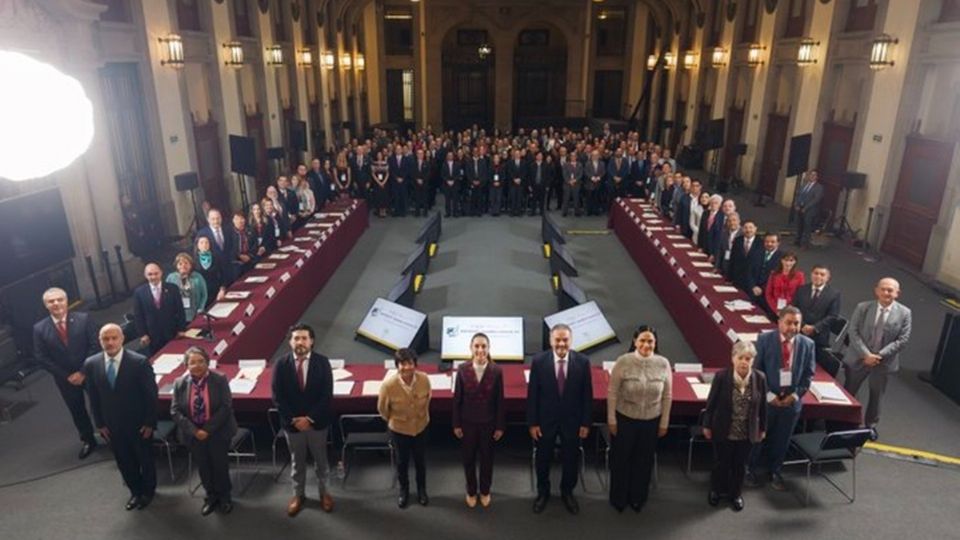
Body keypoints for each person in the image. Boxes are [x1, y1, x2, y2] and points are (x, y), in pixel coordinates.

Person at [83, 323, 158, 510]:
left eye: (114, 338)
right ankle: (135, 492)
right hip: (112, 425)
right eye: (105, 339)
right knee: (124, 461)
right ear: (99, 341)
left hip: (139, 424)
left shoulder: (139, 362)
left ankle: (148, 492)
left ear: (122, 339)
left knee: (145, 459)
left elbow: (151, 396)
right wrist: (99, 423)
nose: (110, 342)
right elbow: (93, 396)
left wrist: (150, 422)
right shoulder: (91, 364)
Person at [527, 324, 593, 515]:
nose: (561, 344)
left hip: (572, 422)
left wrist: (585, 423)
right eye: (557, 340)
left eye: (565, 340)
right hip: (545, 422)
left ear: (571, 340)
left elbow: (587, 395)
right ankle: (543, 493)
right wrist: (533, 423)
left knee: (571, 459)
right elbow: (533, 395)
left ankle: (567, 492)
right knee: (543, 459)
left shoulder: (583, 362)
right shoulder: (539, 361)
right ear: (550, 340)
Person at [747, 306, 815, 491]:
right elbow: (757, 371)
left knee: (782, 440)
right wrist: (769, 395)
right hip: (766, 400)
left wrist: (794, 396)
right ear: (779, 322)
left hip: (791, 404)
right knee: (758, 437)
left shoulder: (808, 344)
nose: (792, 327)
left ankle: (774, 470)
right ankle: (749, 469)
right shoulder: (764, 340)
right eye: (788, 322)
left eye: (796, 323)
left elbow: (808, 375)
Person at [271, 323, 335, 517]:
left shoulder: (322, 362)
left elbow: (327, 395)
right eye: (296, 338)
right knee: (296, 463)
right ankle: (298, 495)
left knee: (321, 461)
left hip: (317, 423)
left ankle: (325, 493)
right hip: (293, 426)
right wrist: (294, 420)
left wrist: (310, 418)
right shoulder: (281, 364)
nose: (300, 342)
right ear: (290, 342)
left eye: (304, 338)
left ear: (311, 341)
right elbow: (277, 397)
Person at [606, 325, 672, 513]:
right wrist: (611, 419)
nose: (646, 345)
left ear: (655, 343)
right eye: (642, 340)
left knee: (644, 461)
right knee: (621, 460)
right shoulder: (623, 361)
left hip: (651, 421)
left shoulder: (663, 363)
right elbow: (612, 392)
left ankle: (638, 497)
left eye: (650, 341)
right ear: (635, 341)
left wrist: (664, 422)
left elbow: (667, 395)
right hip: (625, 419)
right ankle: (618, 498)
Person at [32, 287, 101, 459]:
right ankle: (88, 440)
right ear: (46, 305)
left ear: (66, 301)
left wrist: (82, 372)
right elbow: (41, 357)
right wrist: (67, 376)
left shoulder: (84, 319)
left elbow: (95, 345)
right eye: (51, 301)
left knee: (100, 404)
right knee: (77, 410)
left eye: (59, 299)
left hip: (89, 372)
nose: (56, 303)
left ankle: (112, 434)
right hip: (65, 379)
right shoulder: (39, 329)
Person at [170, 346, 237, 515]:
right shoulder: (179, 383)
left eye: (201, 361)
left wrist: (207, 430)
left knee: (220, 465)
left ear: (208, 363)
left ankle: (225, 497)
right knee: (203, 466)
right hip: (193, 434)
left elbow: (226, 407)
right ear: (186, 365)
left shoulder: (219, 379)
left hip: (218, 431)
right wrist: (194, 431)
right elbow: (175, 411)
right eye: (192, 362)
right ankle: (210, 496)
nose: (197, 365)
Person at [704, 340, 767, 512]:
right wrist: (707, 425)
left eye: (748, 358)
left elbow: (763, 407)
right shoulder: (721, 376)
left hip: (747, 431)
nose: (744, 362)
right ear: (733, 358)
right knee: (721, 463)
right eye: (740, 358)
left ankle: (736, 494)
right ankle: (716, 490)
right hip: (724, 428)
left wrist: (763, 428)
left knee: (740, 465)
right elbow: (711, 403)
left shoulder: (760, 378)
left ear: (753, 360)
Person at [843, 277, 912, 431]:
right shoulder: (863, 307)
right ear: (876, 291)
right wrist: (866, 354)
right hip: (859, 358)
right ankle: (841, 420)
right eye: (883, 289)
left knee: (876, 396)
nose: (886, 293)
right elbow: (853, 332)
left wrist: (879, 355)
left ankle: (870, 426)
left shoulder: (905, 313)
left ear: (897, 293)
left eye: (890, 290)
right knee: (848, 391)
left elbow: (902, 340)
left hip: (883, 363)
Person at [452, 333, 505, 508]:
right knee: (468, 459)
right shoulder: (462, 369)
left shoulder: (496, 371)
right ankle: (471, 490)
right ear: (471, 348)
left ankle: (485, 490)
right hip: (467, 423)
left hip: (488, 423)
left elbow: (499, 400)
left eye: (484, 346)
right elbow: (457, 399)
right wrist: (456, 423)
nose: (480, 350)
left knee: (487, 459)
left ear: (489, 348)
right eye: (477, 346)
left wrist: (499, 426)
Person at [378, 348, 432, 509]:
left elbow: (428, 399)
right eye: (403, 364)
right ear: (397, 366)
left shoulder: (424, 379)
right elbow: (383, 409)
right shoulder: (388, 385)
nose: (407, 367)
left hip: (420, 427)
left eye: (410, 363)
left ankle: (422, 490)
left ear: (415, 364)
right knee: (402, 463)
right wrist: (395, 421)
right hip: (399, 430)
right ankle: (404, 491)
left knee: (420, 462)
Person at [792, 265, 842, 364]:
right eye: (816, 273)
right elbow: (794, 309)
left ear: (828, 278)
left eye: (822, 274)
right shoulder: (801, 289)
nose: (818, 276)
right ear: (811, 274)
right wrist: (802, 325)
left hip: (819, 335)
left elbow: (832, 316)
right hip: (799, 330)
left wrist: (814, 328)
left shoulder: (834, 294)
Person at [132, 262, 186, 355]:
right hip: (152, 336)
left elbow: (180, 310)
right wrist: (143, 334)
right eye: (150, 274)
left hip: (172, 332)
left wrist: (181, 329)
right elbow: (138, 315)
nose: (153, 277)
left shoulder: (173, 288)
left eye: (156, 273)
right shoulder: (139, 292)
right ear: (145, 275)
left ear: (161, 273)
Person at [165, 252, 208, 323]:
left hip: (195, 313)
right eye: (180, 264)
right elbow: (166, 296)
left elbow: (204, 295)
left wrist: (201, 308)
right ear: (176, 266)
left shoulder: (198, 277)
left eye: (186, 263)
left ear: (191, 265)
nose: (183, 266)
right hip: (176, 314)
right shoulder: (171, 277)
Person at [764, 251, 804, 317]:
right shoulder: (774, 274)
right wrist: (775, 309)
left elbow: (800, 295)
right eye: (786, 260)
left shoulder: (799, 275)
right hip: (773, 309)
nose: (788, 263)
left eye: (791, 260)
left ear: (795, 262)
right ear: (782, 260)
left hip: (790, 310)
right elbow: (768, 293)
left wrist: (789, 309)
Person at [728, 220, 763, 295]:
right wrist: (729, 278)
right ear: (742, 229)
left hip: (753, 282)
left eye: (751, 227)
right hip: (737, 280)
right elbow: (732, 260)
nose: (748, 230)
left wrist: (759, 284)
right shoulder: (737, 241)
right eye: (745, 227)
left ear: (755, 229)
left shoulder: (761, 243)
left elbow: (762, 264)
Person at [194, 236, 227, 307]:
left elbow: (223, 274)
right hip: (200, 293)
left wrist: (222, 290)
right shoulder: (193, 260)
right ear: (197, 245)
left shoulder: (216, 257)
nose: (204, 245)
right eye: (201, 243)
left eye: (207, 242)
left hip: (215, 291)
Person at [794, 169, 823, 248]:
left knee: (807, 227)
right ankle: (797, 241)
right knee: (799, 225)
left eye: (814, 175)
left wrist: (806, 208)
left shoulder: (819, 187)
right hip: (800, 207)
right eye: (811, 175)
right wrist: (796, 204)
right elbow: (798, 194)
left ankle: (805, 244)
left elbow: (816, 199)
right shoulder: (804, 184)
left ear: (817, 177)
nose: (812, 176)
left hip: (810, 210)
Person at [561, 150, 583, 217]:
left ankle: (577, 212)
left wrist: (575, 180)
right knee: (566, 199)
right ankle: (564, 212)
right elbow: (564, 174)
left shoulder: (580, 165)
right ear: (570, 157)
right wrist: (569, 181)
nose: (573, 157)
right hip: (567, 184)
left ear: (576, 157)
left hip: (576, 184)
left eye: (574, 156)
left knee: (576, 199)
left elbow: (580, 174)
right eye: (572, 156)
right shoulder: (566, 164)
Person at [583, 150, 605, 216]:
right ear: (591, 156)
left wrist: (599, 178)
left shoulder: (602, 163)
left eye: (596, 155)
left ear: (598, 156)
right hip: (589, 184)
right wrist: (592, 178)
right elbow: (586, 172)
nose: (595, 156)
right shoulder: (587, 163)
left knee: (597, 198)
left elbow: (603, 172)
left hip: (598, 183)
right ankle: (589, 211)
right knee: (589, 198)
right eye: (594, 155)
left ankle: (596, 211)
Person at [441, 150, 462, 218]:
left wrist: (453, 181)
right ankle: (448, 213)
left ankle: (455, 212)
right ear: (447, 157)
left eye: (451, 155)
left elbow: (458, 174)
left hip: (455, 184)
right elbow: (442, 175)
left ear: (453, 156)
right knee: (447, 199)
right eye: (449, 156)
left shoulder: (457, 164)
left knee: (455, 199)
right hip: (446, 184)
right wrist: (447, 181)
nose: (450, 157)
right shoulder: (444, 165)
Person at [507, 148, 528, 217]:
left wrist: (520, 179)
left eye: (518, 154)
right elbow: (509, 172)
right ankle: (512, 212)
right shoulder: (510, 162)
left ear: (520, 155)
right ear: (514, 155)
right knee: (513, 198)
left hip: (521, 183)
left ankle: (519, 212)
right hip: (512, 183)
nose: (517, 155)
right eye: (516, 154)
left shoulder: (524, 162)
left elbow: (525, 172)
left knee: (519, 198)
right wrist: (514, 179)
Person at [371, 150, 390, 218]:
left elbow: (387, 173)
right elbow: (373, 173)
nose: (379, 156)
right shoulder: (374, 163)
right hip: (377, 182)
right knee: (378, 196)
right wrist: (379, 182)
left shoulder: (385, 163)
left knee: (384, 196)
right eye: (378, 155)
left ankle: (384, 210)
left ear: (382, 156)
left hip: (384, 182)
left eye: (380, 155)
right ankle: (379, 210)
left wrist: (383, 182)